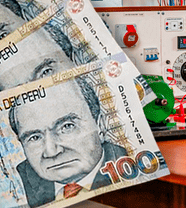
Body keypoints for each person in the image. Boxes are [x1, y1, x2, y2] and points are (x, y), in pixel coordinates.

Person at [8, 78, 127, 207]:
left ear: (100, 126)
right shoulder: (19, 188)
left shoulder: (131, 169)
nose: (51, 151)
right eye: (35, 138)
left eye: (67, 126)